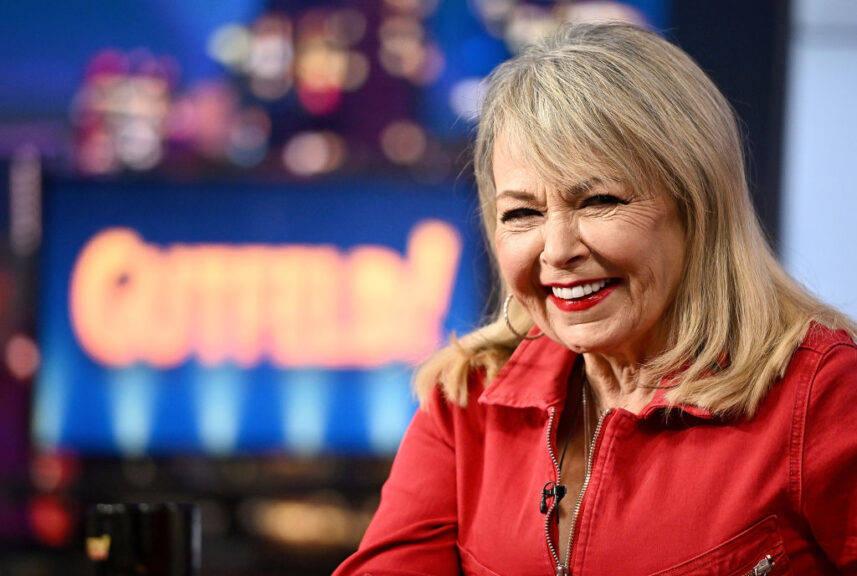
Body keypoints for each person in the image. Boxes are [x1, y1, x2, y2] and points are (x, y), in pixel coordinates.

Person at [333, 22, 857, 575]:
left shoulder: (823, 395)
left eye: (599, 200)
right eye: (523, 214)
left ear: (697, 206)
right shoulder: (466, 398)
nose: (556, 251)